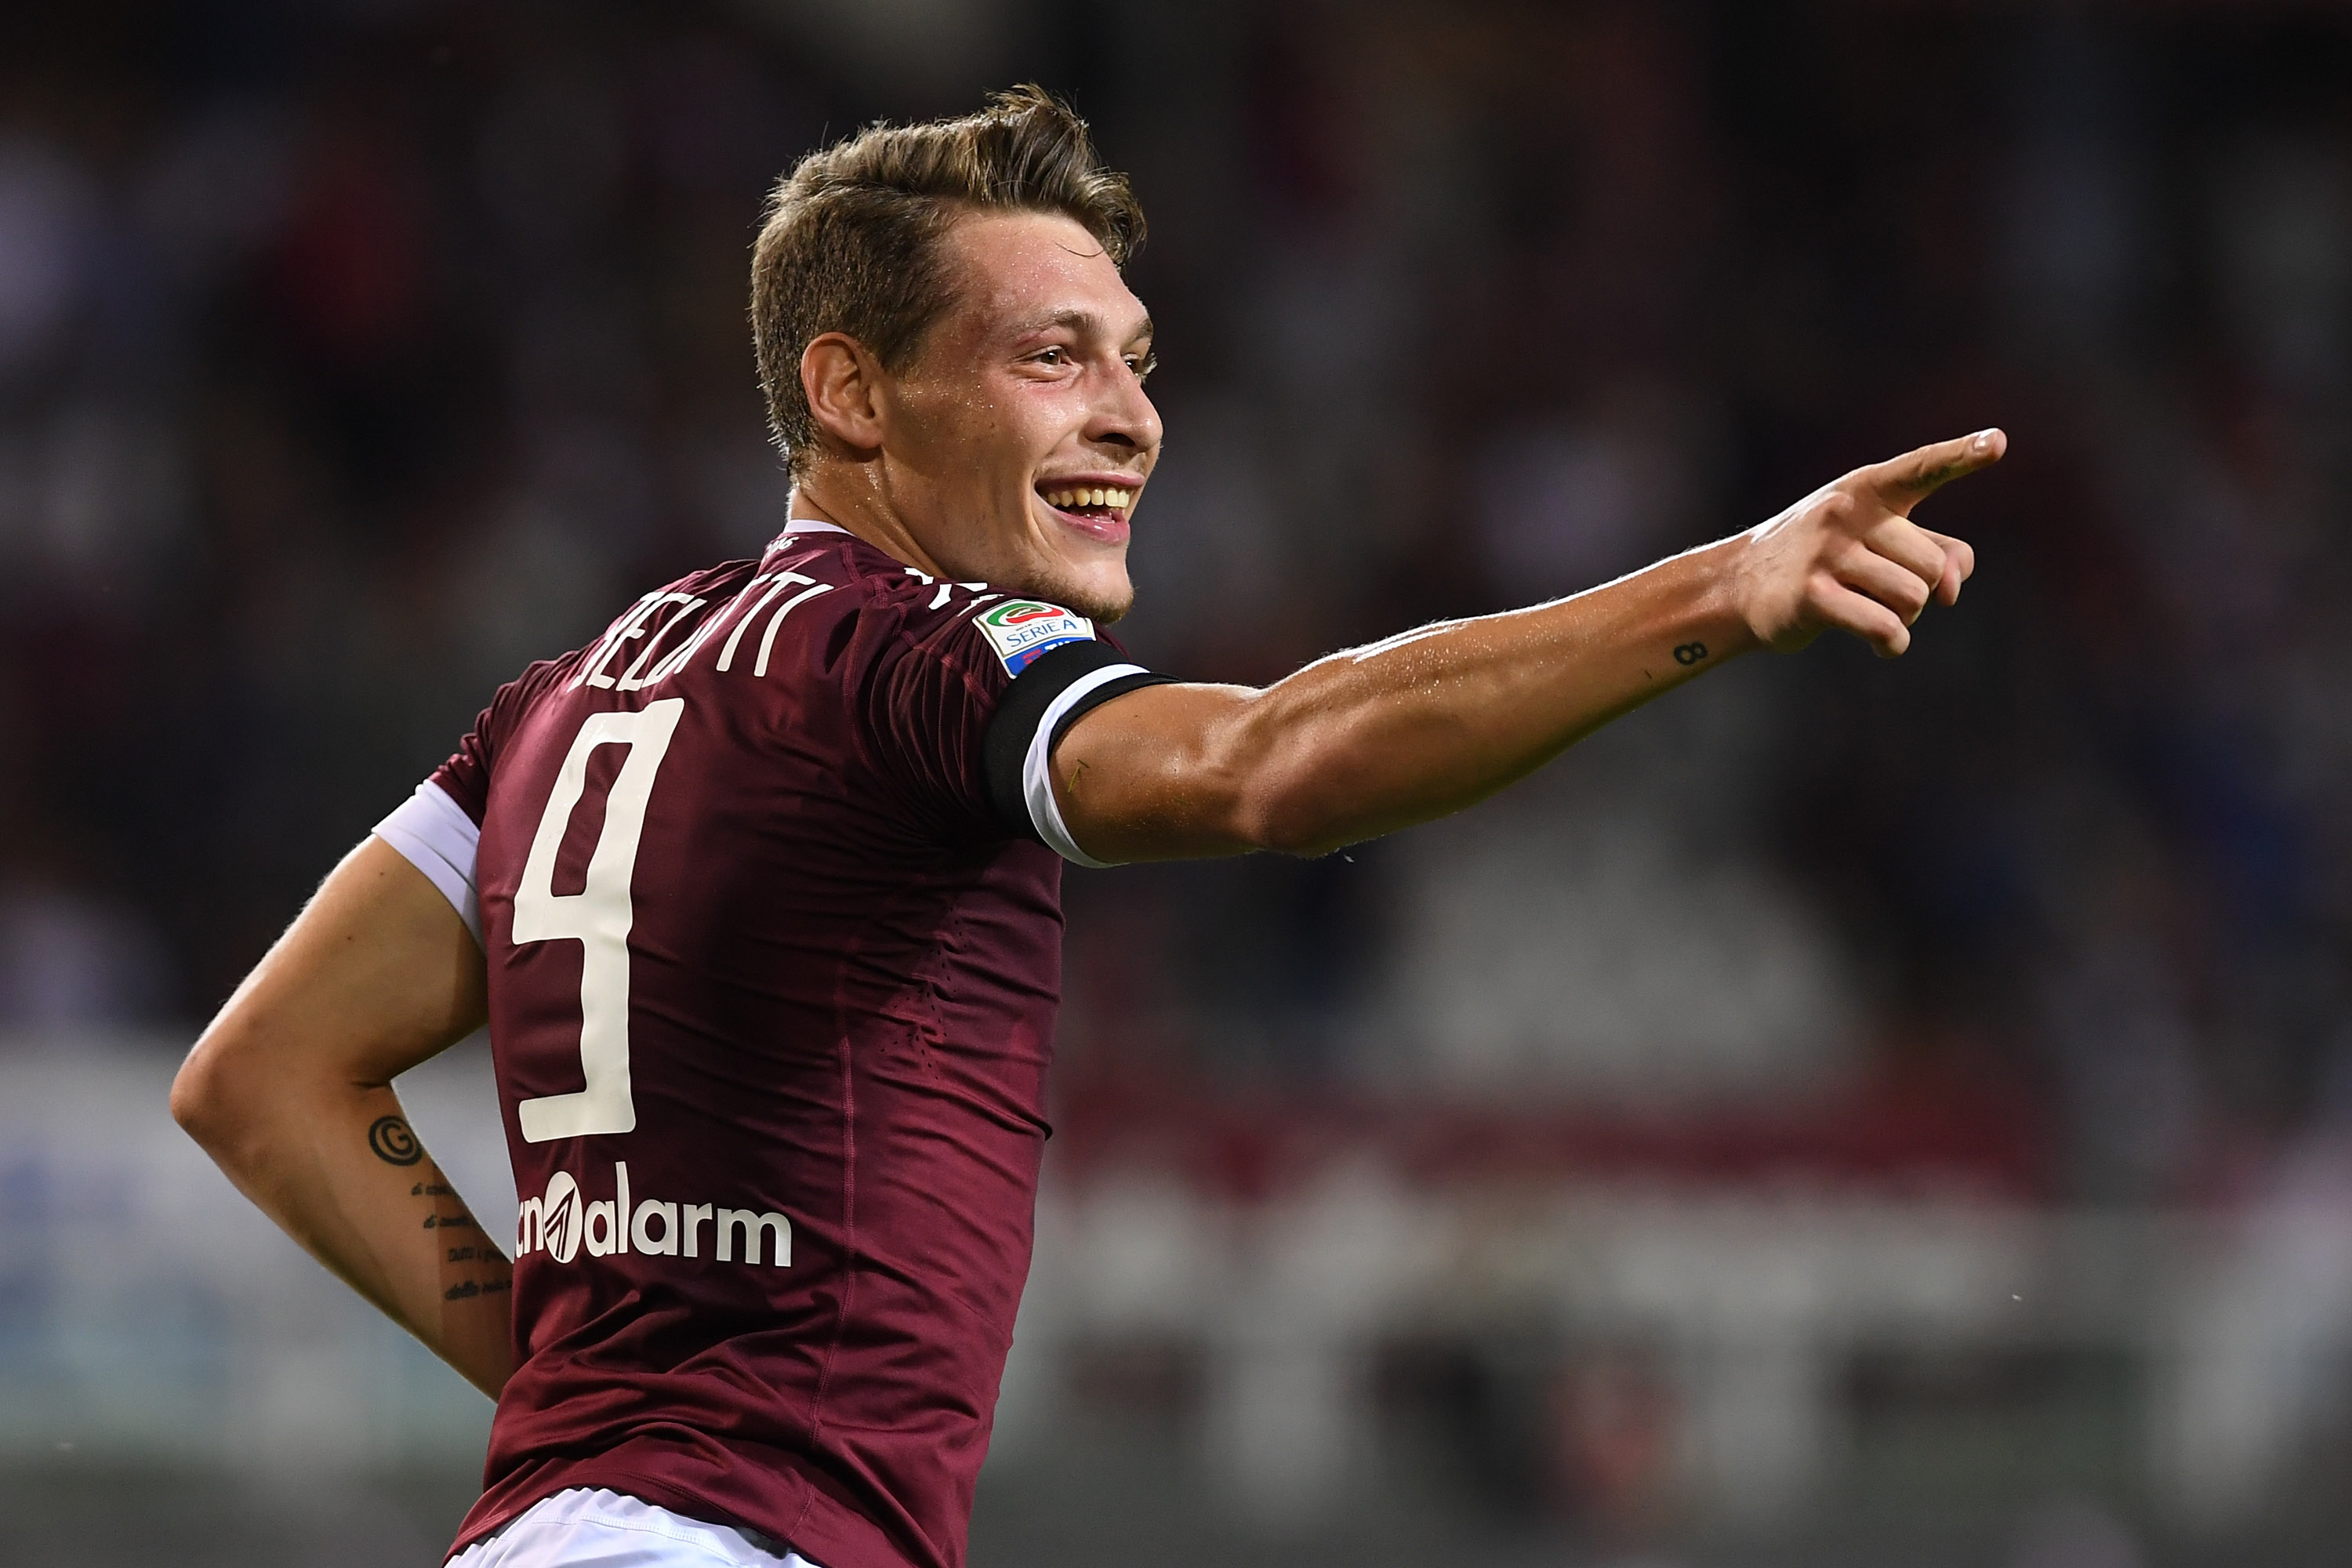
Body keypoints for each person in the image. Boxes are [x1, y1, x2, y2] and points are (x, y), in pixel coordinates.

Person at [170, 85, 2002, 1568]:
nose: (1130, 416)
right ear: (851, 392)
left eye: (1136, 358)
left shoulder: (568, 693)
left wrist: (581, 1411)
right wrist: (1722, 590)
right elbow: (1270, 763)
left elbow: (263, 1076)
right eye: (1055, 355)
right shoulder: (917, 652)